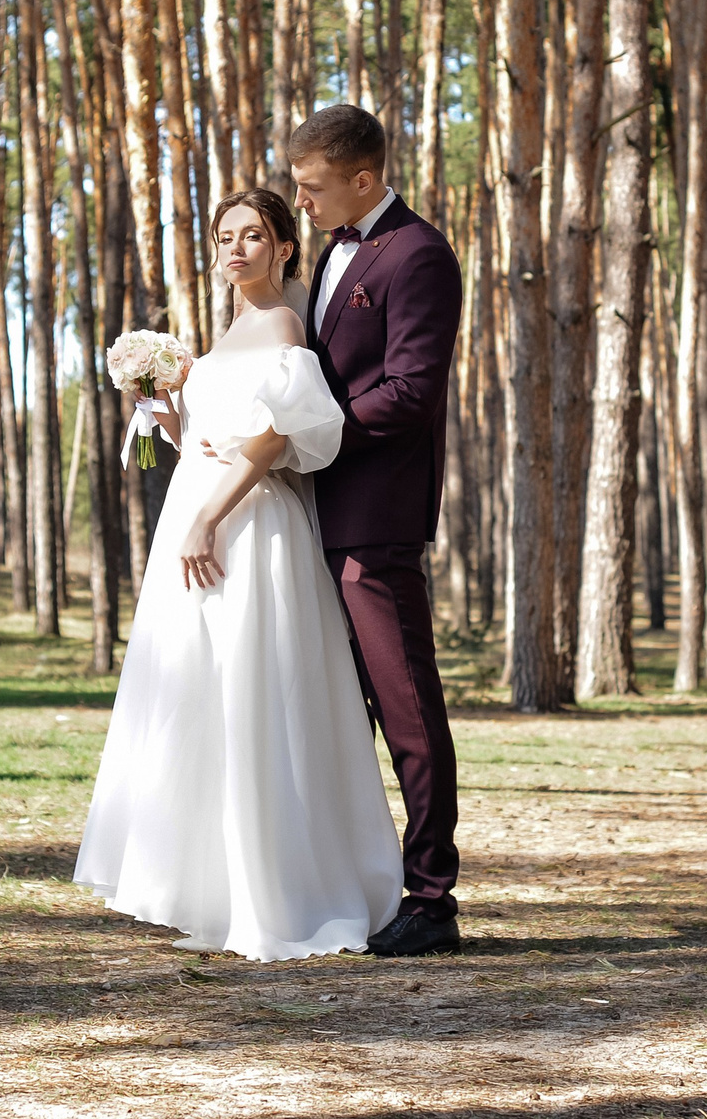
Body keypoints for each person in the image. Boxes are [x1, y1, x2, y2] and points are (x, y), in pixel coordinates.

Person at [75, 188, 404, 960]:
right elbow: (201, 441)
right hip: (198, 516)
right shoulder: (225, 335)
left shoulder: (285, 325)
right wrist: (159, 404)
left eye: (254, 235)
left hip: (247, 526)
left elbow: (272, 438)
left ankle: (279, 889)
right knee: (201, 693)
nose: (236, 248)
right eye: (226, 236)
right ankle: (213, 885)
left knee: (257, 692)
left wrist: (208, 516)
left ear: (285, 248)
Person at [285, 104, 465, 959]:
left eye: (313, 185)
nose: (302, 199)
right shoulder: (332, 251)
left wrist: (308, 433)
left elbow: (411, 390)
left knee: (407, 711)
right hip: (315, 514)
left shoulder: (419, 253)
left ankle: (432, 897)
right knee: (333, 710)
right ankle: (354, 880)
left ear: (364, 177)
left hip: (377, 520)